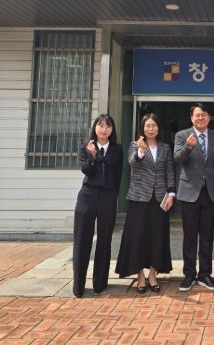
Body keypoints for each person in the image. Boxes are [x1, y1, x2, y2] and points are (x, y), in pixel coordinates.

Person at [115, 113, 175, 294]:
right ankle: (140, 275)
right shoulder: (135, 145)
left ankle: (153, 275)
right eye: (148, 125)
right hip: (139, 198)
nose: (151, 128)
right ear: (142, 128)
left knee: (157, 237)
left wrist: (172, 193)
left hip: (160, 199)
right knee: (138, 237)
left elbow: (170, 171)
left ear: (158, 128)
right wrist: (141, 152)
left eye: (154, 125)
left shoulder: (165, 148)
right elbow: (132, 163)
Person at [174, 103, 214, 291]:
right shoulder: (182, 135)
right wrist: (188, 147)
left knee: (207, 236)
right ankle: (189, 275)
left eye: (204, 114)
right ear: (191, 118)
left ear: (209, 117)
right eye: (197, 115)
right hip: (189, 192)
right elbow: (177, 158)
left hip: (210, 192)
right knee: (189, 236)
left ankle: (205, 274)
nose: (200, 118)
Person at [73, 114, 123, 298]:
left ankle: (100, 283)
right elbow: (86, 170)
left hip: (108, 197)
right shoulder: (86, 146)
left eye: (108, 126)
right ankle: (78, 286)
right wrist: (92, 156)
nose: (104, 129)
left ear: (112, 130)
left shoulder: (117, 149)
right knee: (82, 240)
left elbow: (118, 176)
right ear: (95, 127)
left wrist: (114, 196)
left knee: (104, 240)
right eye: (101, 125)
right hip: (87, 196)